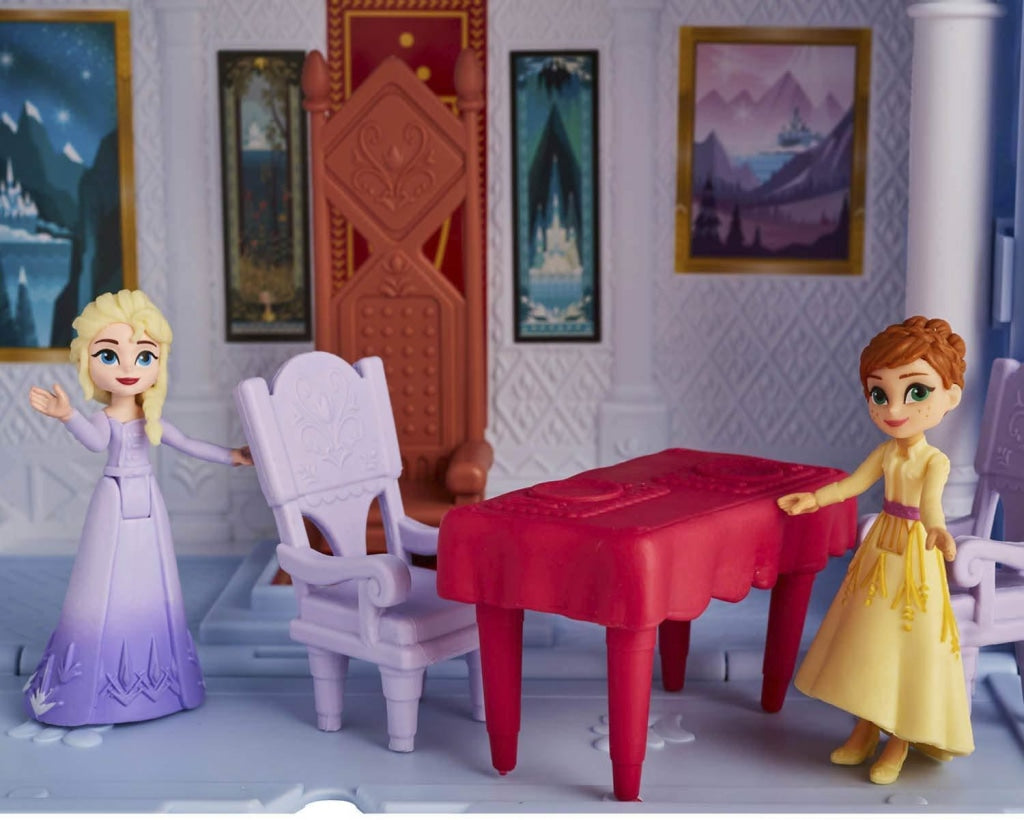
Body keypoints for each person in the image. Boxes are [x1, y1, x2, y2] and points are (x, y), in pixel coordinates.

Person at [24, 289, 252, 726]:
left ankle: (161, 681)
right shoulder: (105, 419)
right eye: (110, 356)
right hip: (113, 499)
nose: (128, 368)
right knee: (102, 582)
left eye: (144, 356)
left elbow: (187, 444)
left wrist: (232, 456)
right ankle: (89, 684)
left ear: (158, 363)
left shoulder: (152, 419)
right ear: (88, 361)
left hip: (147, 501)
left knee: (153, 580)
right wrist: (68, 415)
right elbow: (95, 443)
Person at [778, 316, 973, 785]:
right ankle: (865, 729)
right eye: (879, 394)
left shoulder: (934, 460)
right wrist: (814, 499)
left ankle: (899, 740)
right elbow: (853, 484)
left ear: (950, 396)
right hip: (880, 550)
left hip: (915, 556)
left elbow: (931, 504)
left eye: (916, 391)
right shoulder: (886, 453)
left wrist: (939, 531)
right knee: (870, 642)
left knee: (907, 646)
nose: (894, 408)